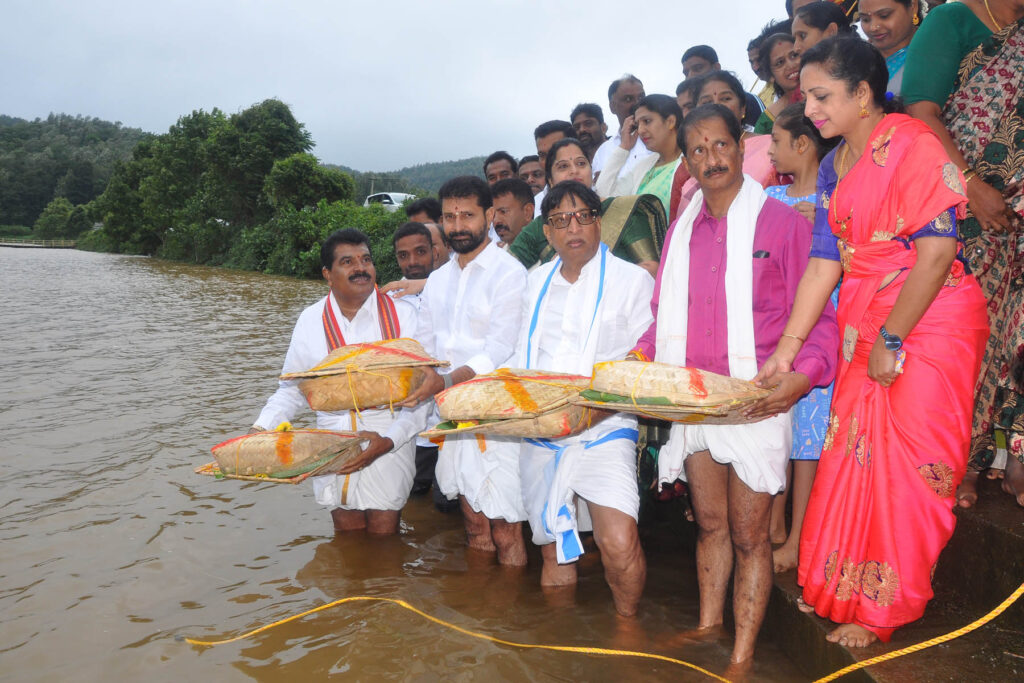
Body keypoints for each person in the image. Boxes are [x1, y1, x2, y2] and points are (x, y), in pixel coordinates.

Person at [757, 37, 987, 648]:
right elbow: (822, 265)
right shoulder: (834, 166)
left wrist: (892, 336)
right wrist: (787, 348)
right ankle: (846, 592)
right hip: (867, 322)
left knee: (910, 468)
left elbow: (937, 253)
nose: (810, 110)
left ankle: (884, 609)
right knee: (852, 456)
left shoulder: (914, 145)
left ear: (864, 93)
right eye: (806, 96)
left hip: (927, 318)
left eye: (822, 96)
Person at [631, 103, 838, 673]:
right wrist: (639, 359)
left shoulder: (782, 225)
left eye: (720, 145)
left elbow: (820, 320)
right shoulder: (681, 229)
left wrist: (798, 378)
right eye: (697, 150)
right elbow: (660, 317)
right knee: (712, 525)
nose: (710, 158)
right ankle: (706, 628)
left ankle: (743, 656)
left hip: (755, 401)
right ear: (688, 161)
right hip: (696, 400)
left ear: (740, 144)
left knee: (750, 535)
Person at [903, 0, 1024, 507]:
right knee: (959, 338)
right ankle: (947, 461)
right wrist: (971, 183)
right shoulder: (952, 20)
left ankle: (988, 455)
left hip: (1017, 218)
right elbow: (920, 111)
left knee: (1008, 337)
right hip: (956, 209)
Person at [516, 181, 654, 617]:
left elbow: (646, 357)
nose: (573, 227)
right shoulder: (534, 283)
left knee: (617, 541)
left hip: (605, 424)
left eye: (583, 216)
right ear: (547, 233)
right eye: (559, 220)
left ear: (599, 223)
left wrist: (596, 408)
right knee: (552, 547)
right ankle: (560, 636)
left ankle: (628, 630)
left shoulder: (632, 281)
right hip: (542, 428)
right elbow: (517, 356)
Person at [252, 229, 424, 535]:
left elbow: (425, 393)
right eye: (348, 261)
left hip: (388, 434)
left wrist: (388, 441)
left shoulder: (405, 315)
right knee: (346, 536)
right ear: (328, 275)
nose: (361, 268)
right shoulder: (310, 319)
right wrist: (261, 429)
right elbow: (293, 388)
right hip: (332, 437)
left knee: (385, 537)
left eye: (366, 259)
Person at [400, 176, 530, 566]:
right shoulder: (438, 280)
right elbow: (424, 345)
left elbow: (501, 348)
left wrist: (448, 381)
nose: (458, 226)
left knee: (506, 526)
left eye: (468, 215)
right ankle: (479, 610)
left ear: (488, 215)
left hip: (497, 416)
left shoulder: (509, 273)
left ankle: (505, 618)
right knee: (472, 523)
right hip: (451, 416)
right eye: (450, 216)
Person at [764, 103, 839, 573]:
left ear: (803, 145)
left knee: (809, 439)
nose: (768, 150)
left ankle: (798, 538)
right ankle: (773, 526)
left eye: (775, 141)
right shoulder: (772, 201)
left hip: (820, 329)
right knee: (779, 433)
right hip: (778, 330)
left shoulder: (834, 197)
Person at [510, 138, 666, 275]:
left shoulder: (624, 211)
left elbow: (651, 269)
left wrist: (589, 278)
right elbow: (507, 270)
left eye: (581, 163)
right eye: (563, 166)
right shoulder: (541, 225)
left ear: (591, 173)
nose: (574, 171)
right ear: (550, 180)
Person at [671, 71, 786, 219]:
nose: (717, 106)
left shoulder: (773, 145)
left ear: (743, 107)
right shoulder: (690, 162)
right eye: (707, 102)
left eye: (725, 98)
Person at [594, 94, 683, 222]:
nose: (640, 130)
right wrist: (624, 148)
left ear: (670, 122)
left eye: (647, 121)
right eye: (637, 124)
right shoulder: (645, 166)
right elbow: (603, 194)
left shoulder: (690, 163)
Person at [592, 75, 655, 183]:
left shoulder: (659, 136)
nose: (637, 103)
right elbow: (599, 190)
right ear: (612, 107)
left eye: (641, 97)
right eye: (628, 99)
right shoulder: (603, 151)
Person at [859, 0, 922, 94]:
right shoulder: (856, 59)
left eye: (884, 16)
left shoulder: (933, 55)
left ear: (913, 6)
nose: (873, 27)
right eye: (865, 19)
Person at [753, 34, 803, 135]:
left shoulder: (829, 86)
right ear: (771, 76)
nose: (791, 65)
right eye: (780, 63)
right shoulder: (766, 123)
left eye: (794, 55)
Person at [533, 120, 577, 216]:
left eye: (555, 152)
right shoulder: (535, 205)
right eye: (542, 155)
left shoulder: (601, 192)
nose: (549, 161)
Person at [792, 1, 857, 56]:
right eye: (794, 39)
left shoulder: (861, 67)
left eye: (802, 36)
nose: (795, 49)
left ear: (831, 32)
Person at [490, 178, 535, 247]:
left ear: (528, 212)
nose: (496, 220)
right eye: (493, 215)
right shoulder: (494, 254)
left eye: (503, 212)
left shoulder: (550, 251)